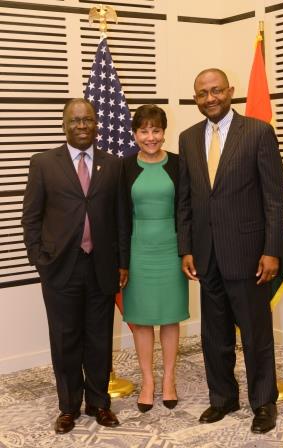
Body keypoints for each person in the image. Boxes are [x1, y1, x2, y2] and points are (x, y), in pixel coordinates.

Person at [178, 69, 283, 434]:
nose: (210, 98)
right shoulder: (188, 138)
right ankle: (223, 399)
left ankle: (263, 403)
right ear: (195, 97)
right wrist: (186, 248)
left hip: (248, 253)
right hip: (206, 256)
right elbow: (187, 202)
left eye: (216, 91)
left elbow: (275, 198)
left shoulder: (257, 132)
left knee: (256, 336)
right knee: (215, 335)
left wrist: (272, 250)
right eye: (202, 93)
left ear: (230, 92)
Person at [22, 98, 129, 434]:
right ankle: (68, 407)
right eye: (75, 120)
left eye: (88, 120)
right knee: (65, 338)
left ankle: (99, 403)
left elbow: (121, 218)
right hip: (60, 267)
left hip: (101, 265)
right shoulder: (43, 163)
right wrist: (40, 259)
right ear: (64, 125)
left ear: (97, 124)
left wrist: (122, 262)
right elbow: (31, 216)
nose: (82, 126)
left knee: (99, 338)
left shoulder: (113, 164)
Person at [122, 104, 189, 412]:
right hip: (137, 251)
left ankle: (169, 380)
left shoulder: (179, 163)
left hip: (171, 250)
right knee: (142, 318)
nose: (150, 137)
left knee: (170, 316)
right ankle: (148, 380)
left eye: (156, 130)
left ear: (164, 131)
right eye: (144, 131)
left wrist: (188, 251)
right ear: (135, 134)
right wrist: (121, 260)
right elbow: (120, 216)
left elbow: (188, 211)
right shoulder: (123, 167)